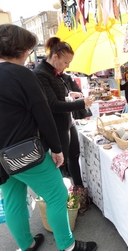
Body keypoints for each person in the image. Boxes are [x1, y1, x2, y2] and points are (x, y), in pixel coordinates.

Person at [0, 24, 97, 251]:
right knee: (57, 194)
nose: (28, 55)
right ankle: (68, 246)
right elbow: (44, 113)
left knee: (13, 199)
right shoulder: (21, 74)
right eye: (28, 50)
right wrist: (57, 149)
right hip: (24, 150)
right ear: (19, 50)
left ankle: (26, 245)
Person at [33, 37, 92, 187]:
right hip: (57, 126)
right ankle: (63, 195)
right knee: (60, 163)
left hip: (68, 122)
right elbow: (52, 105)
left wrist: (68, 95)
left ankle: (79, 188)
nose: (66, 66)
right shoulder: (41, 74)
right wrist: (81, 104)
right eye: (65, 62)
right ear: (55, 57)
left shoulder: (54, 72)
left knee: (74, 156)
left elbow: (56, 95)